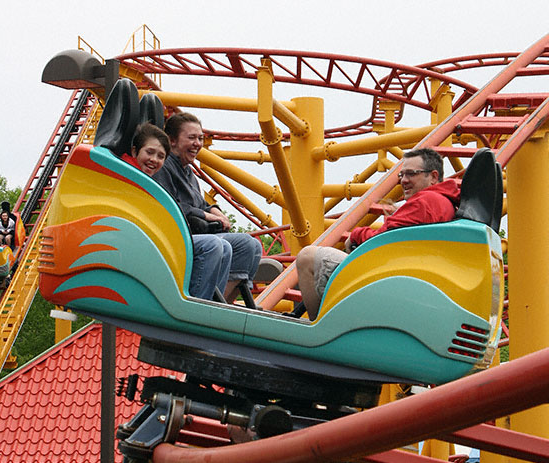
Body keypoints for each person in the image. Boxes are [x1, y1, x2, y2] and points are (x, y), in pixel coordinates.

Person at [296, 147, 460, 320]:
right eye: (401, 175)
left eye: (411, 174)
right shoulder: (444, 202)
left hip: (390, 278)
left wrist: (357, 234)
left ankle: (317, 326)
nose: (404, 180)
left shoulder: (426, 202)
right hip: (406, 275)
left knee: (307, 257)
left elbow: (383, 240)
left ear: (433, 176)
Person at [153, 113, 262, 302]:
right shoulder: (164, 166)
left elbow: (200, 203)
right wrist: (204, 214)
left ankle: (224, 302)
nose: (197, 143)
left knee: (249, 245)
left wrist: (214, 210)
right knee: (218, 245)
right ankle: (200, 303)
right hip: (174, 237)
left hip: (194, 235)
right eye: (191, 138)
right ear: (172, 141)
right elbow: (168, 205)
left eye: (200, 138)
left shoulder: (189, 173)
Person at [123, 123, 232, 301]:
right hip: (140, 244)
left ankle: (213, 306)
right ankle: (196, 306)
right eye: (149, 153)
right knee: (212, 245)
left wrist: (214, 212)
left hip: (157, 240)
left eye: (160, 156)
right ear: (135, 152)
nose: (154, 160)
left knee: (225, 246)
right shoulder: (131, 176)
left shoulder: (151, 178)